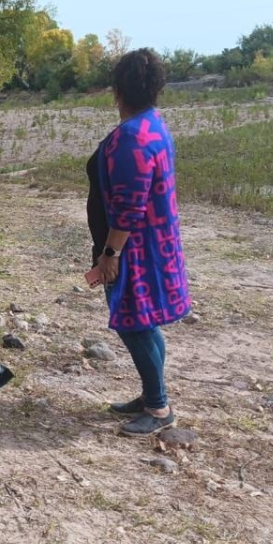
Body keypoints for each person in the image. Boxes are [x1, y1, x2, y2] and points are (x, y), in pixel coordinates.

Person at [86, 48, 191, 436]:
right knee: (145, 324)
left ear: (117, 90)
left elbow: (130, 206)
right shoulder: (153, 125)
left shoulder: (132, 137)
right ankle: (151, 394)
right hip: (152, 241)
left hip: (135, 247)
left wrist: (110, 253)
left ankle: (159, 408)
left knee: (136, 325)